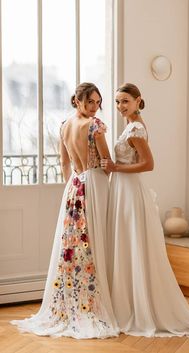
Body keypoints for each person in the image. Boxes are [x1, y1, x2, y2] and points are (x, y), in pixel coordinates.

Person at [101, 83, 189, 337]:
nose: (120, 106)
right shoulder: (130, 126)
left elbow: (148, 164)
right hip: (122, 189)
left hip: (129, 189)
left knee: (132, 244)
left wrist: (115, 168)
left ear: (138, 101)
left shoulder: (136, 129)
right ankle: (125, 302)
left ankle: (137, 307)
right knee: (125, 244)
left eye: (125, 101)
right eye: (117, 102)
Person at [11, 82, 119, 339]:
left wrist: (74, 184)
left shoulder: (64, 126)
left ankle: (81, 299)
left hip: (74, 185)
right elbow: (106, 163)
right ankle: (96, 301)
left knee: (77, 245)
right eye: (90, 102)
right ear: (77, 101)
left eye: (97, 102)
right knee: (95, 242)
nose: (95, 107)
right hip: (94, 183)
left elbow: (64, 162)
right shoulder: (95, 126)